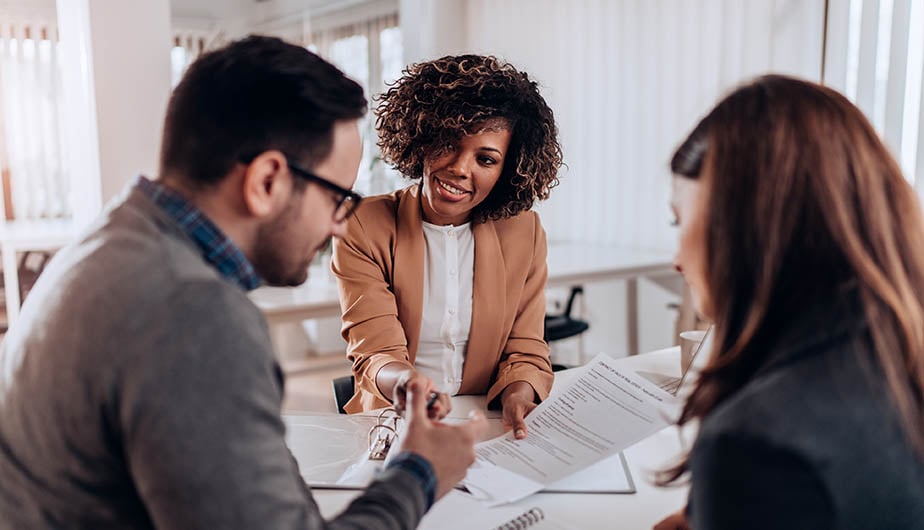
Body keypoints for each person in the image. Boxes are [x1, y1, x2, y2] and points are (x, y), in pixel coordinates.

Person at [0, 36, 486, 529]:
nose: (340, 224)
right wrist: (419, 472)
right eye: (339, 197)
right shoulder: (192, 315)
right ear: (266, 182)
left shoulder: (110, 242)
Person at [655, 75, 924, 529]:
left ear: (744, 226)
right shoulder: (896, 352)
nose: (677, 259)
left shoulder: (754, 444)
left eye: (680, 220)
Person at [332, 55, 563, 438]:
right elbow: (375, 352)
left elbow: (526, 348)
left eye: (485, 159)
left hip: (488, 425)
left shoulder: (524, 231)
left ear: (507, 170)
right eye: (449, 143)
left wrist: (520, 391)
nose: (460, 168)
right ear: (422, 138)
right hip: (396, 420)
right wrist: (409, 386)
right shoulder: (362, 224)